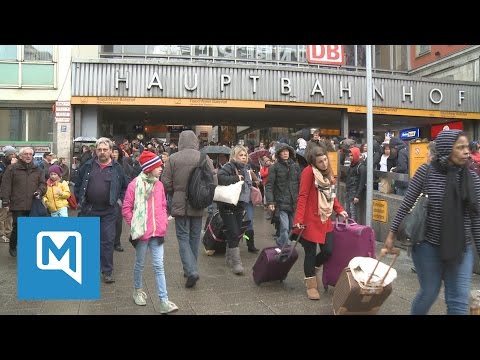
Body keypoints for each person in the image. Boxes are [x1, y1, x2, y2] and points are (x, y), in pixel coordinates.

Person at [384, 129, 480, 315]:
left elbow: (476, 217)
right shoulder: (426, 171)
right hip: (428, 246)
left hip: (461, 247)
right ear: (446, 149)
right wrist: (391, 234)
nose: (466, 151)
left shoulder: (473, 179)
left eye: (466, 147)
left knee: (458, 302)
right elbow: (406, 205)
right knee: (429, 292)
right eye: (460, 147)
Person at [122, 151, 178, 314]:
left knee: (159, 266)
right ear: (149, 167)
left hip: (157, 232)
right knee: (139, 264)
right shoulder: (134, 184)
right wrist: (135, 225)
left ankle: (163, 300)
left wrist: (162, 223)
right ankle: (137, 291)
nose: (161, 168)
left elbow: (162, 205)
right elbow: (126, 208)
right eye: (158, 166)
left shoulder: (159, 185)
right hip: (141, 233)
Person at [161, 130, 217, 288]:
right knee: (194, 236)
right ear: (195, 141)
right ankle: (191, 268)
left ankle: (191, 270)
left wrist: (176, 191)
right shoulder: (203, 157)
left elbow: (166, 183)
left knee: (183, 237)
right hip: (198, 202)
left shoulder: (173, 158)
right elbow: (213, 180)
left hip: (179, 203)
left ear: (180, 142)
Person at [293, 145, 348, 300]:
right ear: (314, 162)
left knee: (328, 251)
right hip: (309, 219)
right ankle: (311, 285)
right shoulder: (308, 172)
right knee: (310, 253)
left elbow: (331, 195)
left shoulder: (327, 173)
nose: (324, 163)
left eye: (325, 160)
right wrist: (298, 220)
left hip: (325, 218)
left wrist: (339, 209)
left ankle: (312, 269)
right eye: (320, 161)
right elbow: (302, 196)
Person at [75, 137, 128, 283]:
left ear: (111, 151)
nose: (102, 152)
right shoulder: (87, 166)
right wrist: (80, 201)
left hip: (109, 211)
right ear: (95, 151)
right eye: (99, 149)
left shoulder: (117, 168)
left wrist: (119, 202)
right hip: (89, 209)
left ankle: (107, 271)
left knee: (107, 241)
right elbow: (78, 184)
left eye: (105, 150)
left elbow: (125, 187)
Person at [0, 147, 46, 257]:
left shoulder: (38, 169)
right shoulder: (12, 169)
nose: (28, 156)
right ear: (20, 156)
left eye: (30, 154)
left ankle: (28, 248)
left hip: (33, 203)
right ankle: (13, 245)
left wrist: (39, 191)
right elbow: (5, 186)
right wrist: (5, 201)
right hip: (17, 203)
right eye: (26, 154)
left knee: (31, 227)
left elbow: (43, 184)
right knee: (18, 226)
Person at [216, 145, 251, 274]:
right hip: (227, 205)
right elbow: (220, 178)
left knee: (235, 231)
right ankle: (237, 263)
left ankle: (229, 257)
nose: (243, 157)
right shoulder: (229, 166)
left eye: (245, 155)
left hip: (239, 204)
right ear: (234, 156)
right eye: (240, 155)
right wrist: (236, 178)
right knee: (235, 232)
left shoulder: (246, 168)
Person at [265, 142, 301, 247]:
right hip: (280, 202)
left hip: (293, 202)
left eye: (287, 151)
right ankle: (285, 246)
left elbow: (300, 184)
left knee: (290, 227)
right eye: (283, 151)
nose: (285, 153)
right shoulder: (274, 167)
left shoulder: (295, 167)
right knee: (284, 227)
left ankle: (281, 242)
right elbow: (269, 185)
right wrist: (270, 201)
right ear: (279, 154)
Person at [0, 146, 17, 242]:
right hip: (2, 193)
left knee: (10, 214)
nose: (14, 155)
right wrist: (11, 166)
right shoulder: (2, 164)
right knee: (2, 215)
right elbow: (3, 178)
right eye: (11, 154)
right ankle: (2, 234)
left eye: (14, 153)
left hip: (12, 193)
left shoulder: (13, 164)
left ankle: (8, 233)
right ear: (7, 155)